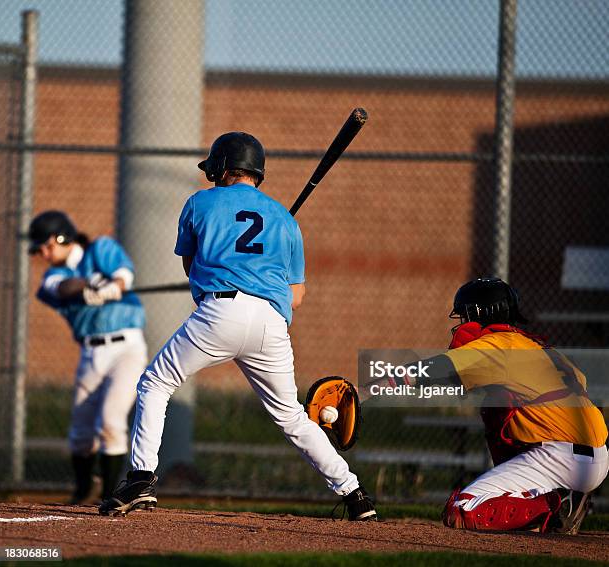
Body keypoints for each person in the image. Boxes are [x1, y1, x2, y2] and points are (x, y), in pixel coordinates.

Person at [98, 132, 377, 521]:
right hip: (271, 323)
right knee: (291, 417)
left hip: (220, 311)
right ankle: (356, 495)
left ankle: (141, 479)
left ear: (224, 168)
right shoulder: (283, 219)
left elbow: (190, 266)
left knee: (155, 383)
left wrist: (219, 272)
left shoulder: (199, 201)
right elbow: (296, 296)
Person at [363, 277, 608, 534]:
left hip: (558, 457)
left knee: (462, 509)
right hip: (597, 456)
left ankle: (557, 505)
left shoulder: (497, 344)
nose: (463, 323)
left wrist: (368, 390)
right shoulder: (539, 347)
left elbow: (437, 368)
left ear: (482, 313)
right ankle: (558, 502)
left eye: (466, 314)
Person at [29, 211, 148, 504]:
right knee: (81, 432)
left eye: (47, 246)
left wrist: (113, 288)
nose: (44, 254)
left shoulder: (100, 249)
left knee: (111, 419)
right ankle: (83, 491)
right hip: (91, 352)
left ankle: (111, 495)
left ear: (62, 237)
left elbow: (124, 273)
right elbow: (59, 288)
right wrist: (90, 287)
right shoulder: (54, 275)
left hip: (127, 348)